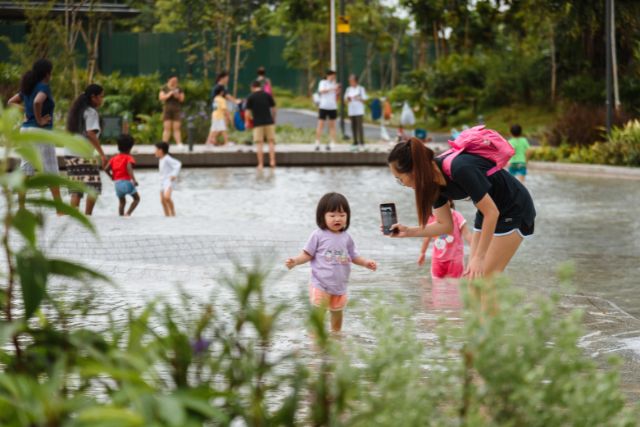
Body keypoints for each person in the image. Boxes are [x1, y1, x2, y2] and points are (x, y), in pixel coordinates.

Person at [387, 137, 536, 280]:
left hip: (514, 207)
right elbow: (445, 226)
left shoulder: (459, 168)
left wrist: (479, 257)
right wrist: (408, 231)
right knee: (472, 282)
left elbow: (492, 212)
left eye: (400, 179)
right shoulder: (431, 185)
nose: (403, 184)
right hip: (487, 211)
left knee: (484, 280)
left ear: (414, 171)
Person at [285, 192, 377, 332]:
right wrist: (295, 261)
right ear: (322, 216)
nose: (337, 218)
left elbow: (354, 256)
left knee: (337, 314)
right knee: (319, 317)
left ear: (347, 216)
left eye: (342, 215)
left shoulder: (346, 237)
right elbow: (307, 254)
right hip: (320, 284)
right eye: (332, 215)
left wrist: (365, 263)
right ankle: (315, 340)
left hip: (340, 287)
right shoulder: (318, 235)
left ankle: (336, 339)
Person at [8, 59, 61, 204]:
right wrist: (39, 120)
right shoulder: (44, 87)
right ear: (47, 73)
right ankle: (60, 208)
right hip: (41, 132)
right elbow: (38, 102)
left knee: (26, 169)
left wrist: (26, 111)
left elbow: (11, 102)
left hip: (26, 130)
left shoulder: (28, 87)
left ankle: (21, 207)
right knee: (51, 169)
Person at [64, 84, 106, 215]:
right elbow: (90, 133)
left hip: (70, 152)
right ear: (93, 97)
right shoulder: (91, 112)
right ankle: (88, 216)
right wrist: (102, 154)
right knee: (94, 187)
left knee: (76, 189)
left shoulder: (77, 111)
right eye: (101, 96)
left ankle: (73, 217)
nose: (102, 99)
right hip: (82, 153)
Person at [417, 200, 472, 279]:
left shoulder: (457, 216)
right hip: (437, 259)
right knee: (437, 285)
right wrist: (422, 253)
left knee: (455, 285)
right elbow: (427, 237)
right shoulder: (432, 217)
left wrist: (476, 252)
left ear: (450, 202)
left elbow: (467, 234)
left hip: (455, 259)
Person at [105, 135, 140, 217]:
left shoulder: (113, 158)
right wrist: (134, 180)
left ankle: (120, 216)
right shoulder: (128, 158)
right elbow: (129, 168)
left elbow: (106, 169)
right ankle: (128, 214)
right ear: (130, 148)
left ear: (118, 147)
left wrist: (111, 176)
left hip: (117, 184)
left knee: (122, 202)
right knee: (136, 199)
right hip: (127, 182)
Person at [245, 80, 277, 169]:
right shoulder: (267, 95)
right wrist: (273, 119)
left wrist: (248, 122)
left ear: (252, 87)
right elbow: (274, 109)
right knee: (271, 142)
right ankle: (272, 161)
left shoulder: (250, 97)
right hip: (269, 122)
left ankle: (260, 164)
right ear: (260, 86)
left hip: (257, 123)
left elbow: (247, 113)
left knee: (259, 144)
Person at [315, 70, 340, 151]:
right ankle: (317, 142)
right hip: (323, 106)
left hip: (332, 107)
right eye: (333, 75)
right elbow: (322, 91)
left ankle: (332, 142)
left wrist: (337, 91)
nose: (334, 77)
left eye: (334, 76)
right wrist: (332, 88)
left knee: (332, 126)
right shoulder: (323, 82)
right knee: (320, 125)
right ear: (328, 75)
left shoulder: (334, 84)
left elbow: (336, 95)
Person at [154, 142, 181, 217]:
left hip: (168, 181)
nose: (154, 152)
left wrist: (174, 175)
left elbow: (178, 164)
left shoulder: (167, 158)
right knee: (162, 201)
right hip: (162, 181)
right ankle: (167, 215)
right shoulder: (161, 159)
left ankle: (173, 214)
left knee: (167, 197)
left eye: (156, 150)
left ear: (161, 150)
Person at [158, 75, 185, 146]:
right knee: (167, 128)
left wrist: (177, 96)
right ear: (169, 80)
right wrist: (169, 94)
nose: (174, 82)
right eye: (173, 80)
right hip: (167, 109)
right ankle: (164, 144)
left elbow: (182, 99)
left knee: (177, 128)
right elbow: (161, 97)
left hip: (176, 109)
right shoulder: (164, 88)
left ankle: (179, 143)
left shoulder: (179, 88)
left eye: (176, 81)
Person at [344, 74, 367, 150]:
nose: (351, 82)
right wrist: (348, 99)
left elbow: (365, 100)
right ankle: (355, 141)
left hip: (359, 111)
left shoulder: (361, 89)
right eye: (350, 81)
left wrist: (358, 98)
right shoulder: (348, 89)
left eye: (352, 81)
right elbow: (345, 101)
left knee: (359, 127)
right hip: (351, 111)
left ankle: (362, 142)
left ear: (356, 81)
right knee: (353, 126)